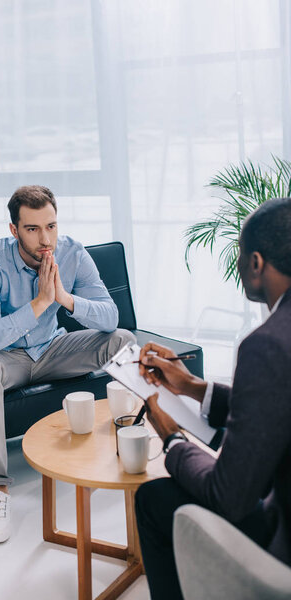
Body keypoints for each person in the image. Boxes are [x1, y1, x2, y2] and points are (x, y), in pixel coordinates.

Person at [135, 197, 291, 599]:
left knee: (153, 499)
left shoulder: (267, 345)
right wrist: (191, 386)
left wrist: (172, 439)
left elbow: (230, 497)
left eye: (240, 254)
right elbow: (277, 403)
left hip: (284, 548)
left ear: (256, 262)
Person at [0, 185, 135, 543]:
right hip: (6, 360)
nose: (46, 239)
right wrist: (40, 304)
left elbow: (110, 316)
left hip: (54, 350)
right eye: (33, 229)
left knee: (123, 341)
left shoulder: (73, 252)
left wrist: (65, 299)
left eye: (51, 226)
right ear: (14, 230)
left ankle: (135, 443)